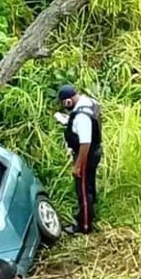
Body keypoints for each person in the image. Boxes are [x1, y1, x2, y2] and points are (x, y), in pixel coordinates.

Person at [56, 84, 103, 235]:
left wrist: (78, 165)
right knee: (89, 185)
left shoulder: (81, 118)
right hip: (95, 151)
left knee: (83, 190)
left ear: (68, 101)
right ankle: (91, 210)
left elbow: (85, 142)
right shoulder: (87, 102)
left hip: (86, 155)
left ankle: (84, 226)